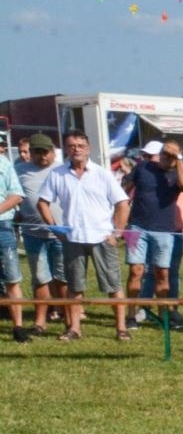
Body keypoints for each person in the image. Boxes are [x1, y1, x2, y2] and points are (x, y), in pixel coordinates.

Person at [36, 128, 131, 341]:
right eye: (71, 146)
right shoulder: (57, 174)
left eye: (80, 146)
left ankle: (121, 328)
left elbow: (123, 203)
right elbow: (42, 202)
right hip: (73, 239)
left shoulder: (102, 174)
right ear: (66, 150)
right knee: (74, 287)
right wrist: (55, 228)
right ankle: (74, 329)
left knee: (113, 285)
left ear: (88, 149)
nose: (76, 150)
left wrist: (116, 232)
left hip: (102, 238)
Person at [123, 140, 183, 329]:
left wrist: (179, 158)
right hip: (136, 227)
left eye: (171, 156)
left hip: (164, 231)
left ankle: (162, 316)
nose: (166, 158)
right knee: (135, 271)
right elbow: (124, 193)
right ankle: (131, 315)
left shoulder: (178, 173)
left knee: (162, 273)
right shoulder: (142, 167)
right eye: (164, 154)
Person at [16, 134, 66, 338]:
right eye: (38, 152)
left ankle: (70, 322)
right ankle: (40, 321)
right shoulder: (19, 170)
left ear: (53, 151)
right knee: (40, 278)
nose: (42, 156)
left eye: (46, 152)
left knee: (63, 279)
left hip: (62, 234)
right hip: (33, 234)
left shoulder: (64, 169)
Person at [0, 147, 22, 340]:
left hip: (3, 226)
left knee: (11, 277)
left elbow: (16, 195)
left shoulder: (5, 166)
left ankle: (18, 327)